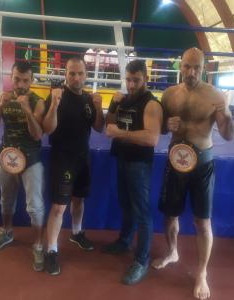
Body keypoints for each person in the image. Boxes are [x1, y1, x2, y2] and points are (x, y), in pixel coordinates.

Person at [152, 48, 234, 300]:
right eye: (187, 66)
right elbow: (161, 130)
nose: (191, 72)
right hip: (175, 161)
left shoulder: (214, 96)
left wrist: (228, 114)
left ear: (204, 69)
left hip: (202, 164)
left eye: (196, 68)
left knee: (202, 222)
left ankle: (201, 273)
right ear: (180, 66)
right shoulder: (168, 95)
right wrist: (167, 125)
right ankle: (173, 252)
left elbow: (228, 135)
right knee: (170, 215)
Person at [43, 55, 104, 275]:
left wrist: (99, 108)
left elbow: (98, 127)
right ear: (65, 74)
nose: (76, 77)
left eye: (80, 73)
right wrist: (54, 105)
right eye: (71, 73)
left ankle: (77, 233)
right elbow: (48, 129)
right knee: (59, 207)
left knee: (79, 200)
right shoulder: (57, 96)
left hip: (82, 157)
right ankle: (51, 250)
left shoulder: (88, 98)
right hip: (63, 157)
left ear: (86, 75)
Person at [103, 59, 163, 285]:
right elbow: (108, 127)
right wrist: (112, 105)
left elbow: (152, 138)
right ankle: (124, 241)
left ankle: (141, 260)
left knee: (141, 212)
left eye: (136, 80)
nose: (131, 85)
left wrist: (120, 133)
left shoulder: (151, 104)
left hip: (139, 164)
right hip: (122, 159)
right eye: (128, 80)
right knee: (126, 205)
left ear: (145, 79)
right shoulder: (125, 99)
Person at [0, 61, 46, 272]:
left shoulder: (38, 102)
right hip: (7, 157)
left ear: (31, 80)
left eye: (25, 80)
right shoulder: (4, 97)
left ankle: (38, 245)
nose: (21, 84)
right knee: (6, 199)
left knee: (35, 206)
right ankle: (6, 232)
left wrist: (27, 110)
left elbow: (38, 134)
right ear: (12, 77)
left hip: (31, 159)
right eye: (17, 79)